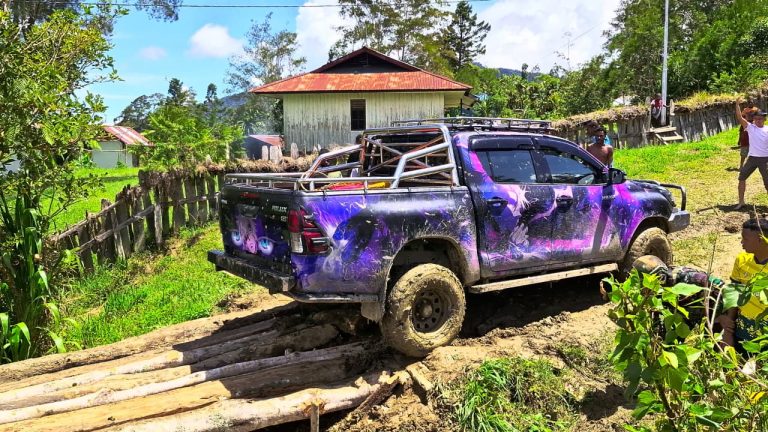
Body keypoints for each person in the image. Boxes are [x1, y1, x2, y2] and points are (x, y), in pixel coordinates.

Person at [717, 218, 768, 347]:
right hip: (742, 329)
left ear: (761, 240)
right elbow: (734, 293)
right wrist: (728, 333)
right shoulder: (742, 260)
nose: (741, 242)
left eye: (745, 239)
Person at [735, 102, 768, 210]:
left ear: (764, 119)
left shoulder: (767, 130)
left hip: (765, 159)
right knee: (742, 177)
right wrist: (737, 105)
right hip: (752, 159)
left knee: (767, 182)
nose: (758, 120)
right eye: (756, 118)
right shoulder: (750, 127)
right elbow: (740, 118)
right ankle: (741, 202)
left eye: (760, 119)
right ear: (753, 119)